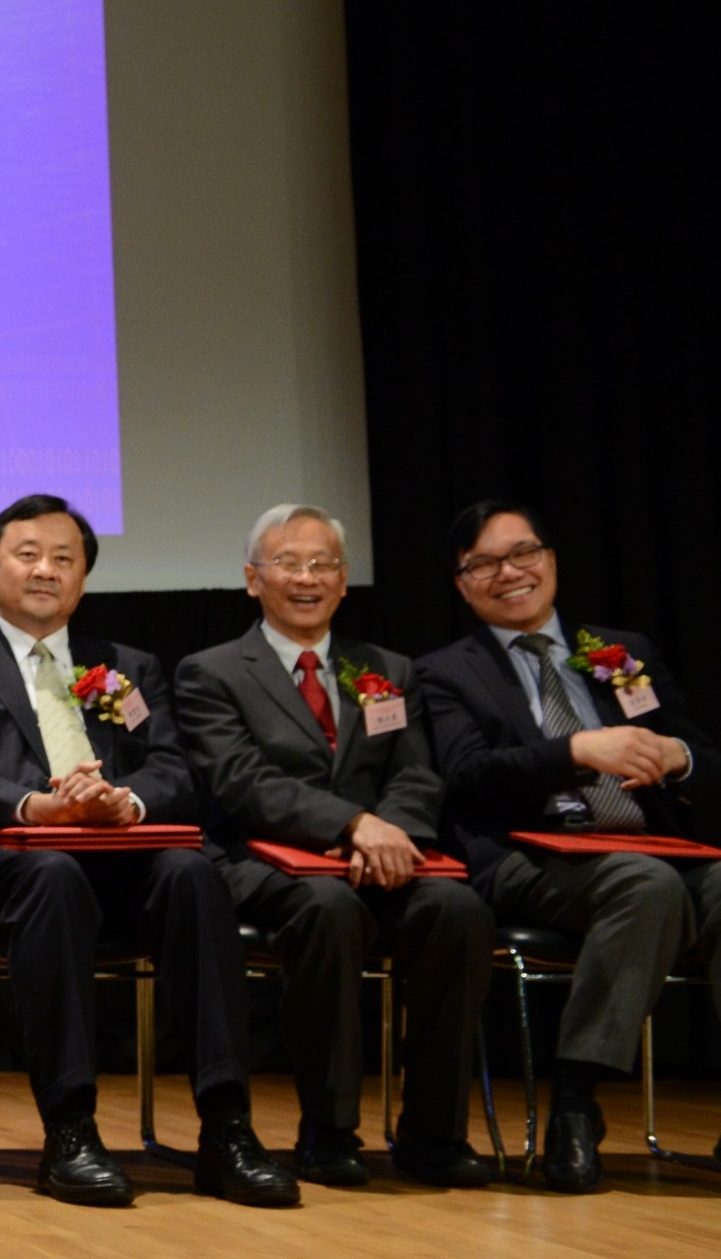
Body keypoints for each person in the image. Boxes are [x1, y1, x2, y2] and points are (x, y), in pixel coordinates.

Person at [0, 495, 297, 1209]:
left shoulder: (129, 664)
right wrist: (40, 805)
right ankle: (71, 1129)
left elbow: (175, 769)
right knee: (51, 874)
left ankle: (228, 1128)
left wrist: (129, 800)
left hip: (118, 856)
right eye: (28, 554)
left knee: (193, 872)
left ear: (85, 577)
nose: (46, 570)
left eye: (65, 558)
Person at [414, 501, 721, 1193]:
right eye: (485, 564)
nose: (511, 572)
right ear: (463, 585)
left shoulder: (620, 652)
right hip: (534, 857)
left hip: (652, 848)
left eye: (524, 552)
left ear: (551, 560)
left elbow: (714, 768)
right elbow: (465, 779)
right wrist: (575, 751)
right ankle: (577, 1102)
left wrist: (677, 757)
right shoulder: (445, 672)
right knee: (644, 885)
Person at [176, 504, 495, 1189]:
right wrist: (352, 825)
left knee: (459, 912)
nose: (306, 577)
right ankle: (329, 1129)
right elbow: (241, 782)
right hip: (263, 864)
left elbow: (415, 771)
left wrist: (391, 834)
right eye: (287, 563)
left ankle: (433, 1132)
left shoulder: (387, 668)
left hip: (379, 857)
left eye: (322, 564)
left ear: (345, 581)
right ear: (252, 579)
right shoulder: (212, 672)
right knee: (328, 911)